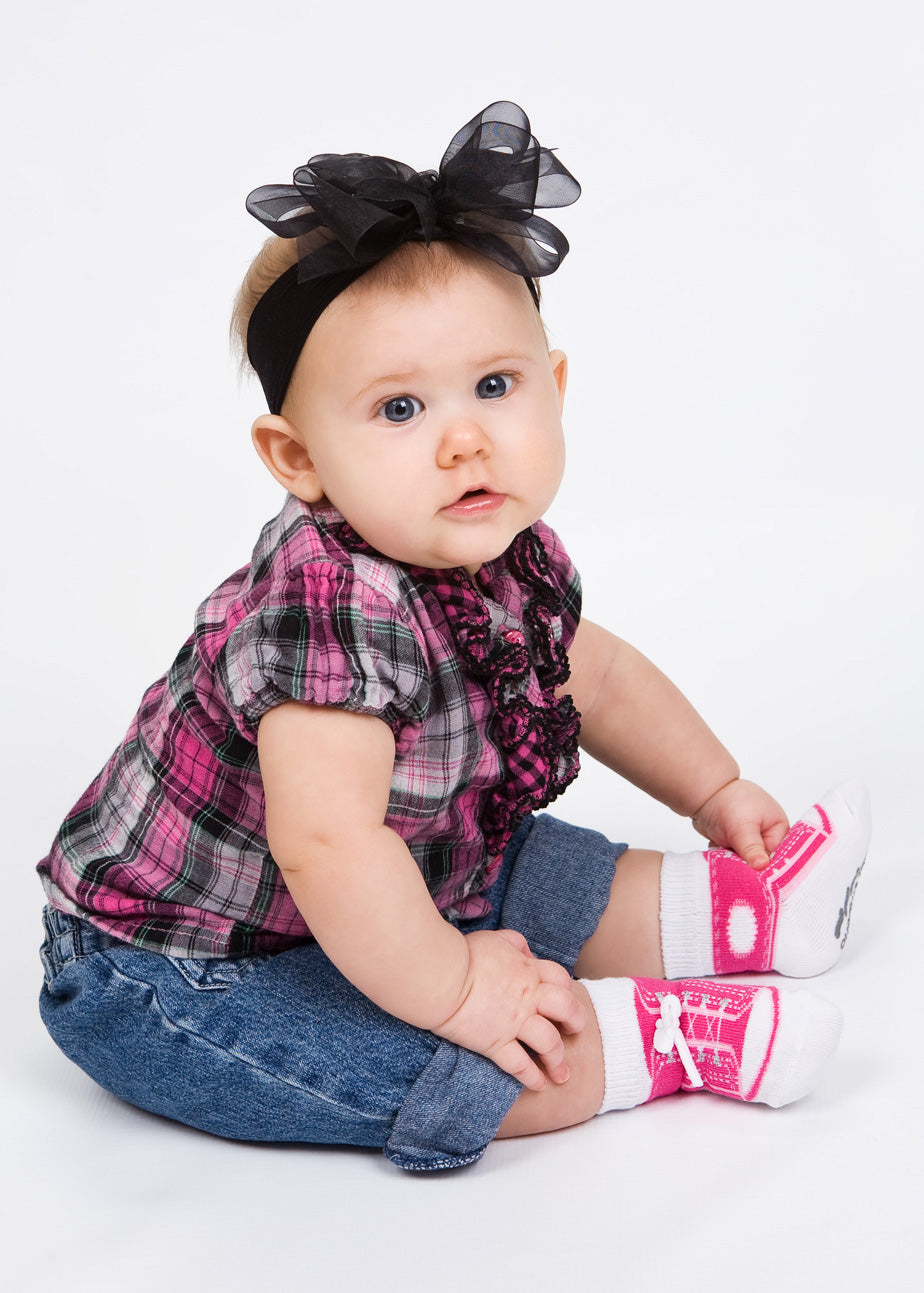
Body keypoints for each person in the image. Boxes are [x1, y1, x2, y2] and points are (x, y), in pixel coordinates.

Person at [37, 103, 870, 1171]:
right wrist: (464, 986)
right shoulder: (327, 610)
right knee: (434, 1048)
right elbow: (329, 844)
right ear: (298, 459)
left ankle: (748, 911)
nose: (465, 438)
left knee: (527, 864)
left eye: (493, 386)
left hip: (393, 874)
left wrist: (715, 793)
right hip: (181, 967)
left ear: (553, 388)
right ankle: (653, 1047)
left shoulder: (493, 547)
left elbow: (598, 677)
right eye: (398, 411)